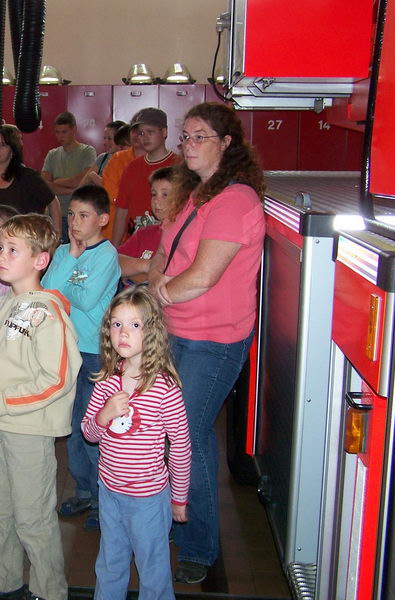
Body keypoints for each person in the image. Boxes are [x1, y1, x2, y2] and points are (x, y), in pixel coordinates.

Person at [147, 102, 266, 584]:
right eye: (186, 136)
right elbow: (162, 250)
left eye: (200, 136)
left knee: (186, 436)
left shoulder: (235, 200)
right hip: (175, 334)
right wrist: (159, 287)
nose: (189, 144)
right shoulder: (192, 195)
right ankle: (181, 525)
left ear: (226, 144)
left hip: (214, 343)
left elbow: (203, 276)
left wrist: (157, 295)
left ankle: (199, 545)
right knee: (173, 434)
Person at [0, 214, 82, 600]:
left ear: (40, 260)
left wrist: (2, 398)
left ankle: (49, 591)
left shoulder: (48, 313)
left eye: (13, 249)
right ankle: (5, 578)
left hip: (28, 430)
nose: (1, 255)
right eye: (0, 248)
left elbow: (57, 378)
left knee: (33, 516)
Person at [82, 287, 191, 600]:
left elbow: (181, 446)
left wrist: (179, 498)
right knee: (110, 562)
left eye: (134, 325)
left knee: (153, 568)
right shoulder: (106, 381)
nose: (123, 333)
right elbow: (89, 433)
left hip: (148, 498)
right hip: (110, 491)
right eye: (116, 325)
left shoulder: (164, 388)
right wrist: (105, 414)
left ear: (152, 332)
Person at [42, 185, 120, 531]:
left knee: (96, 428)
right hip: (65, 350)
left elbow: (86, 301)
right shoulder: (64, 252)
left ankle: (105, 500)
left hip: (94, 353)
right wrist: (70, 260)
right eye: (71, 214)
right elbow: (46, 293)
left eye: (83, 215)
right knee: (71, 427)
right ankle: (85, 491)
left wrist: (65, 285)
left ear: (103, 220)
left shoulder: (107, 255)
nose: (74, 222)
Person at [0, 124, 60, 231]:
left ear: (13, 151)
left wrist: (57, 235)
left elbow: (53, 203)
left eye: (3, 145)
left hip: (24, 243)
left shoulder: (28, 177)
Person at [111, 108, 177, 246]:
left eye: (150, 132)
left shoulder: (179, 165)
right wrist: (115, 248)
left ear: (164, 132)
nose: (144, 137)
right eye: (141, 133)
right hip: (136, 244)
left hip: (167, 244)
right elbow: (122, 210)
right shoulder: (132, 168)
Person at [41, 112, 97, 240]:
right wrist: (71, 190)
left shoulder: (87, 152)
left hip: (77, 215)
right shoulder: (52, 154)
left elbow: (83, 179)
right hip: (54, 214)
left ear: (74, 130)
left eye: (64, 132)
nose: (60, 136)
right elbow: (44, 184)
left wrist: (58, 180)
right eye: (57, 132)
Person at [118, 166, 174, 285]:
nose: (156, 200)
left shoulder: (185, 237)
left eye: (165, 194)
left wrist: (131, 272)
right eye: (154, 194)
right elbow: (113, 261)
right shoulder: (145, 233)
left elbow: (166, 283)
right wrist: (148, 265)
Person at [97, 124, 138, 237]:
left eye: (123, 146)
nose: (120, 150)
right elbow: (111, 192)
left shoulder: (144, 162)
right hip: (113, 225)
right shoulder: (115, 161)